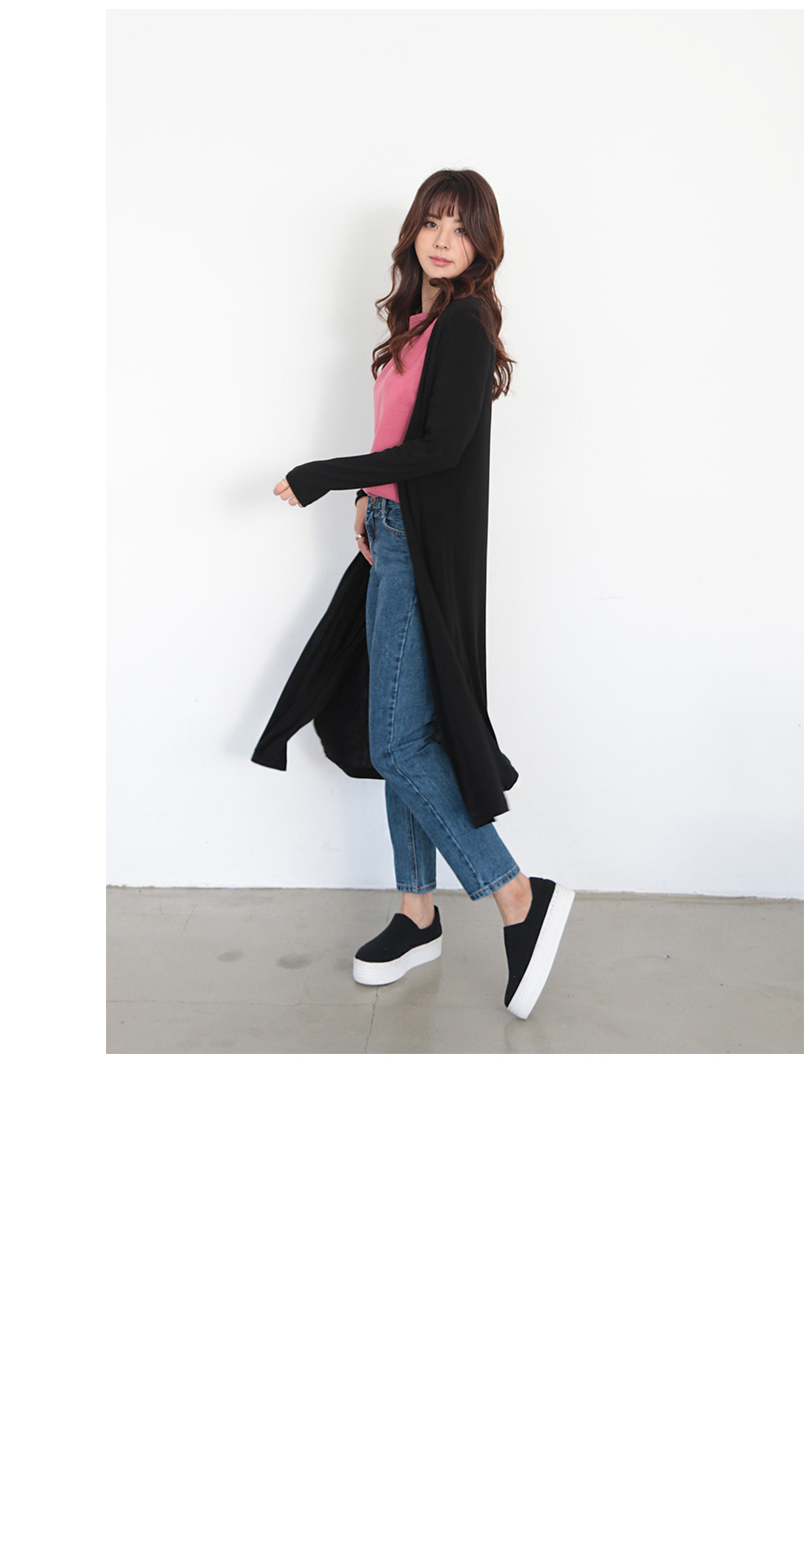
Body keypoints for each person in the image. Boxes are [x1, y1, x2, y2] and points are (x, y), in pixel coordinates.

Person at [270, 169, 573, 1020]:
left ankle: (517, 894)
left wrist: (327, 475)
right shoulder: (418, 320)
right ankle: (416, 913)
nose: (443, 239)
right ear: (413, 232)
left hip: (419, 554)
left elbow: (441, 449)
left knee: (400, 742)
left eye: (460, 227)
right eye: (432, 222)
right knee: (395, 730)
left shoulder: (467, 324)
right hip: (389, 535)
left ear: (482, 246)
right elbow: (402, 440)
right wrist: (368, 498)